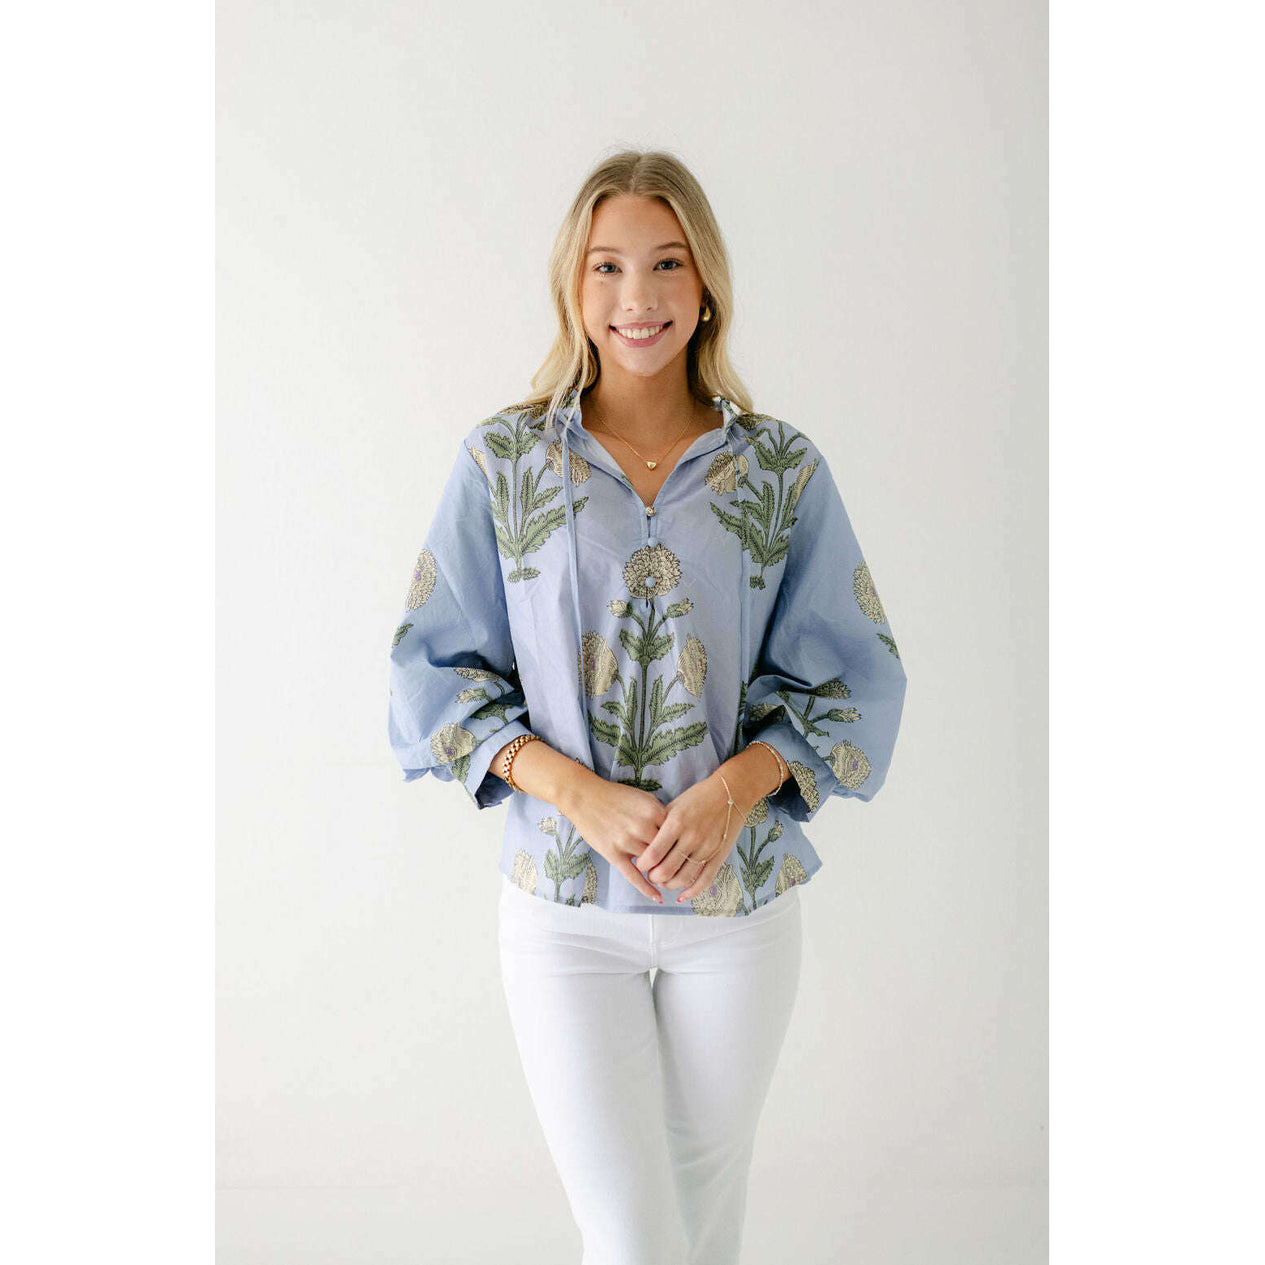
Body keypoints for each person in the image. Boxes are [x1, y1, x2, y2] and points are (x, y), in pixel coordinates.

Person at [387, 149, 908, 1265]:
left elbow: (854, 674)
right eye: (607, 265)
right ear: (572, 286)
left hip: (738, 911)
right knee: (631, 1237)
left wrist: (733, 789)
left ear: (705, 281)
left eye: (666, 263)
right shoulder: (504, 463)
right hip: (564, 911)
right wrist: (572, 789)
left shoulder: (780, 470)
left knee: (701, 1231)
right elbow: (430, 670)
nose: (638, 296)